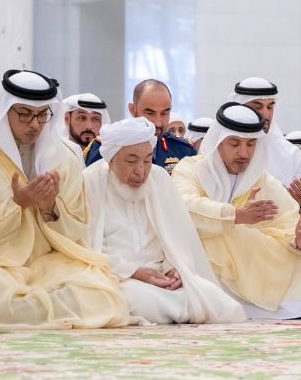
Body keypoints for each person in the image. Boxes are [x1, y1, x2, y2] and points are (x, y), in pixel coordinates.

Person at [0, 70, 133, 330]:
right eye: (24, 114)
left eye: (42, 114)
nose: (35, 124)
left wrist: (50, 208)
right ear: (5, 112)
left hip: (47, 262)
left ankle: (36, 312)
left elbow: (79, 231)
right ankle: (42, 312)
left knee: (103, 293)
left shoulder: (64, 158)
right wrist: (17, 204)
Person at [84, 117, 246, 325]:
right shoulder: (91, 181)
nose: (141, 170)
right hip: (119, 277)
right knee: (138, 300)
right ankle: (178, 311)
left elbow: (178, 237)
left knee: (224, 305)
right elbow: (86, 247)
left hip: (163, 278)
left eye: (147, 160)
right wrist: (135, 272)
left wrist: (175, 268)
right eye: (132, 161)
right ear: (111, 159)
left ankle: (176, 308)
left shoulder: (159, 179)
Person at [171, 103, 301, 320]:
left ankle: (279, 307)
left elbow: (289, 220)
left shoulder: (263, 181)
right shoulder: (190, 170)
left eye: (251, 145)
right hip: (202, 260)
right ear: (218, 143)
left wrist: (300, 240)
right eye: (234, 144)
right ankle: (264, 306)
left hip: (250, 265)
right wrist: (236, 216)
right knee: (228, 232)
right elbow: (185, 207)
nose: (244, 153)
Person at [226, 77, 301, 204]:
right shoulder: (221, 150)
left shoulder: (291, 155)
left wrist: (298, 204)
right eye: (257, 107)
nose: (266, 115)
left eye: (270, 107)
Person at [85, 79, 196, 173]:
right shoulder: (106, 147)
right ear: (133, 110)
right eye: (150, 113)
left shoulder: (184, 151)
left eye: (164, 113)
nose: (158, 122)